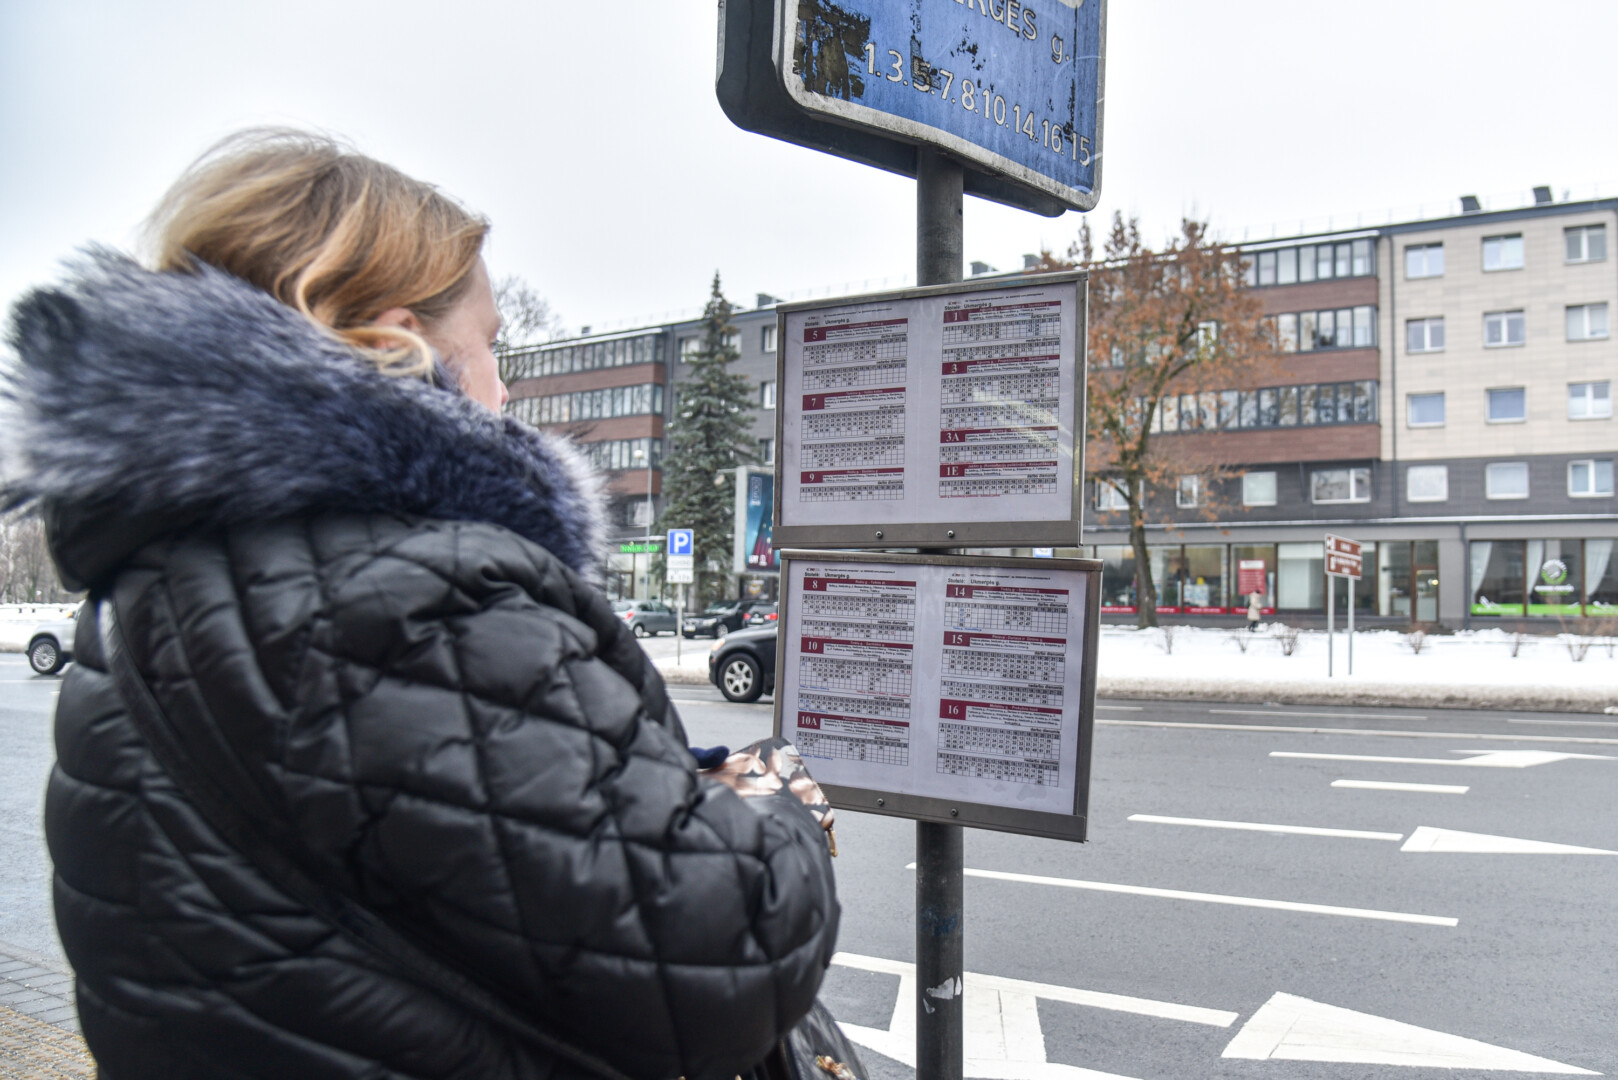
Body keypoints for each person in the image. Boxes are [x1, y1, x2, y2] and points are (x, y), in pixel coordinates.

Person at [3, 130, 839, 1080]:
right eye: (488, 345)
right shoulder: (410, 596)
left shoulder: (148, 592)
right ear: (395, 342)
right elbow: (725, 955)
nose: (504, 385)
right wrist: (785, 812)